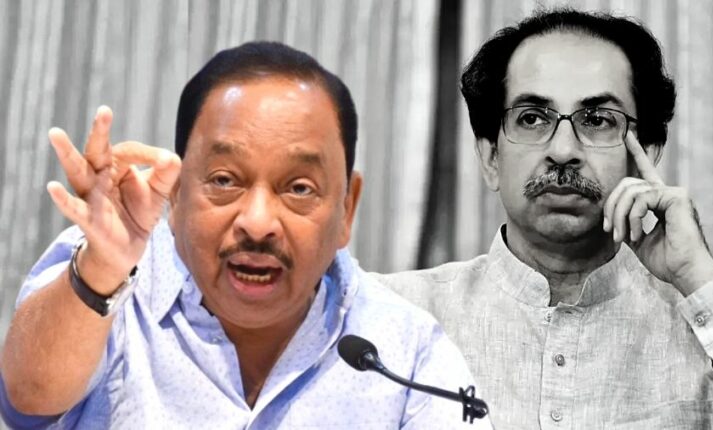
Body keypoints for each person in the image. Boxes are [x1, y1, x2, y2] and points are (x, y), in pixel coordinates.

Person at [0, 41, 490, 429]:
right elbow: (26, 402)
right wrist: (100, 273)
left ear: (346, 208)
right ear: (176, 193)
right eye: (224, 180)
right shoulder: (101, 266)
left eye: (299, 188)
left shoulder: (406, 351)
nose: (257, 223)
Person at [375, 9, 713, 428]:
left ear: (644, 156)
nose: (563, 150)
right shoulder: (393, 317)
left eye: (597, 120)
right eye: (532, 118)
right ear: (491, 157)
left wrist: (697, 276)